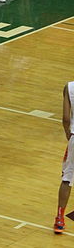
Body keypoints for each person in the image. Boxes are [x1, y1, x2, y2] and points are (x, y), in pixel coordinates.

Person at [53, 82, 74, 234]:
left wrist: (68, 133)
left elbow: (66, 117)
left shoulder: (69, 87)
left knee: (68, 178)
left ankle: (59, 219)